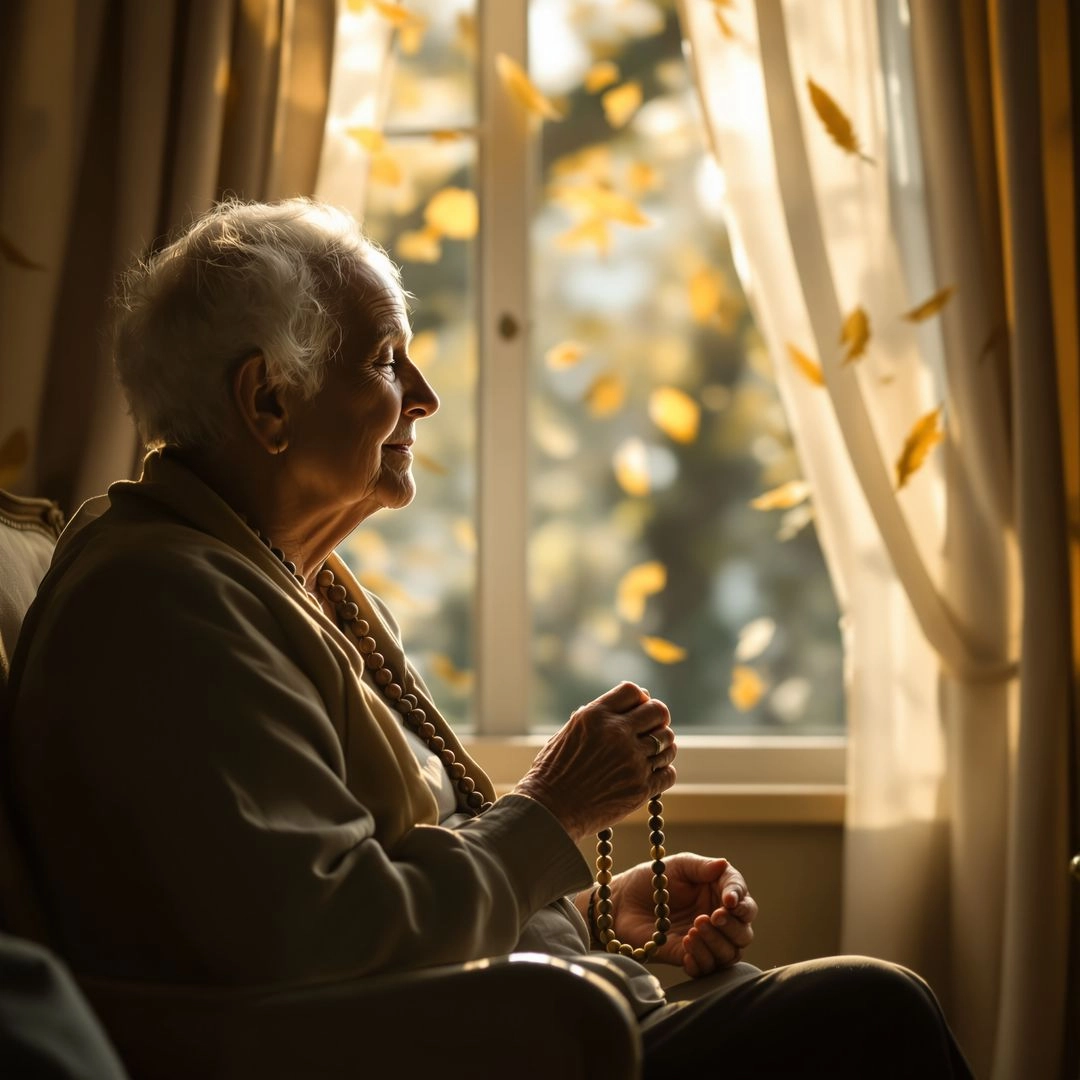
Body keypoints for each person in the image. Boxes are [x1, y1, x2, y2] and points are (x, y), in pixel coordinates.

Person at [5, 198, 971, 1077]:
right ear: (267, 401)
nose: (423, 395)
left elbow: (382, 884)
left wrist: (594, 915)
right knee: (873, 1009)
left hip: (517, 1019)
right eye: (385, 360)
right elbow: (324, 940)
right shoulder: (166, 604)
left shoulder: (291, 581)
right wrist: (551, 810)